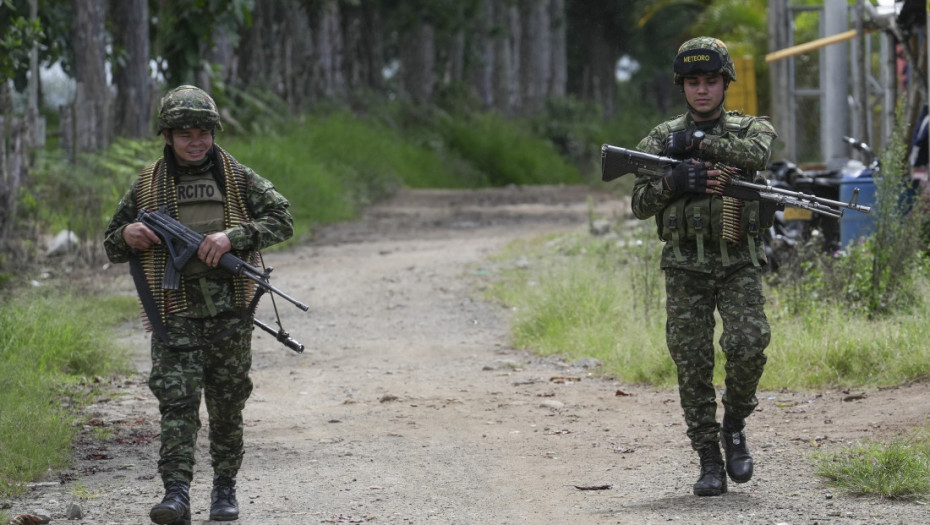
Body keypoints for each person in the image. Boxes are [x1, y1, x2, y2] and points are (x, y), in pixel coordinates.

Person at [104, 85, 294, 523]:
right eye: (185, 133)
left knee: (227, 402)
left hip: (230, 309)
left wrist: (234, 237)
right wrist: (128, 235)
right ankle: (176, 494)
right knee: (178, 402)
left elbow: (282, 218)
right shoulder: (147, 185)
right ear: (167, 136)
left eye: (204, 132)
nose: (196, 141)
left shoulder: (238, 178)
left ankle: (224, 488)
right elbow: (113, 245)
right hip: (174, 310)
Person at [630, 37, 777, 496]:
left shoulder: (751, 129)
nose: (702, 91)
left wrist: (698, 144)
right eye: (692, 82)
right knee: (692, 363)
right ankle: (709, 458)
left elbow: (758, 156)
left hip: (738, 260)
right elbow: (638, 203)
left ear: (725, 83)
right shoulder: (659, 139)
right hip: (684, 265)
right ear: (682, 86)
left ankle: (734, 424)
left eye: (710, 81)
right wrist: (674, 179)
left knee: (749, 344)